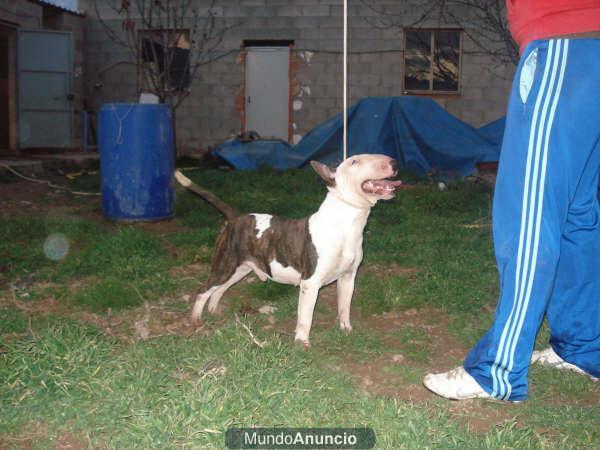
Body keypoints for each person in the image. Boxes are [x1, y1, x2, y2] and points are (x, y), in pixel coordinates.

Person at [423, 0, 600, 402]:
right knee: (576, 212)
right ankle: (584, 347)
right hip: (588, 45)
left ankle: (497, 371)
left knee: (529, 211)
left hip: (565, 43)